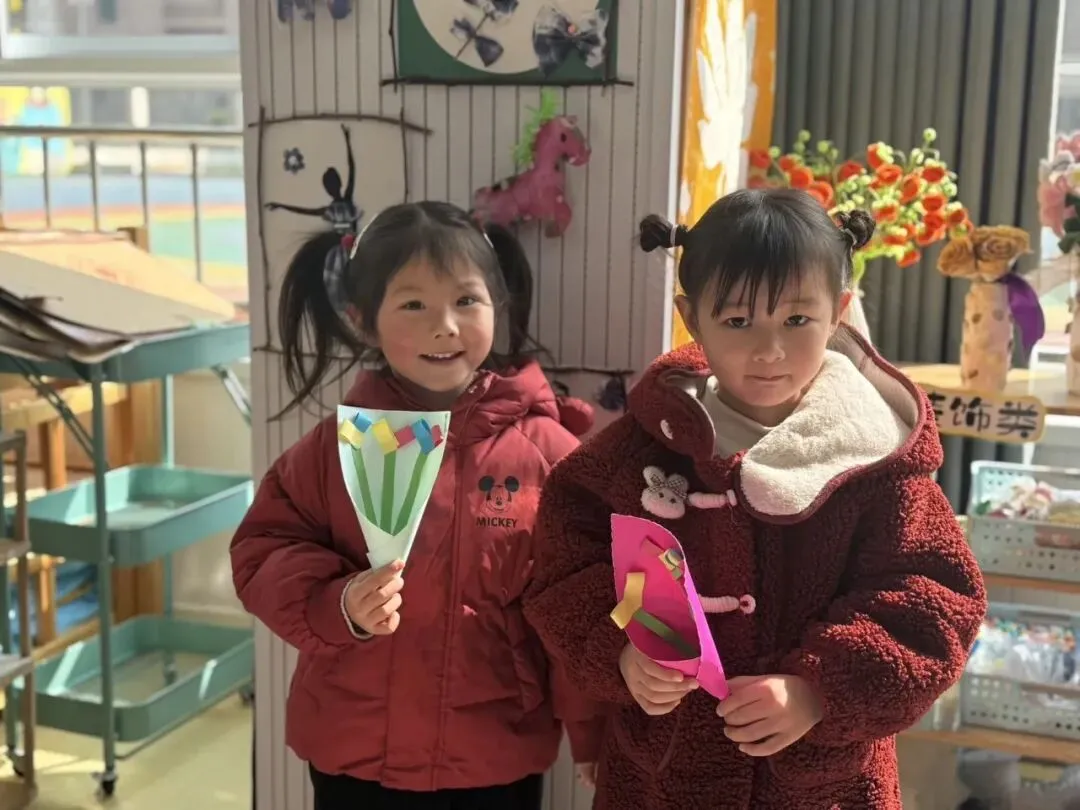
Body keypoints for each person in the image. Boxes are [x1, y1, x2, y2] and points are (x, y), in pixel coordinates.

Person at [521, 188, 988, 809]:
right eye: (738, 322)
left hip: (827, 788)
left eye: (796, 320)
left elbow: (935, 599)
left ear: (838, 311)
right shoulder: (639, 447)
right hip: (662, 780)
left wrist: (819, 690)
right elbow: (564, 569)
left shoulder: (875, 453)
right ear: (692, 318)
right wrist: (623, 653)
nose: (769, 350)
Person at [231, 201, 601, 810]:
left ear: (497, 305)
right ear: (363, 321)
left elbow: (580, 601)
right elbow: (260, 549)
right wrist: (337, 604)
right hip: (354, 757)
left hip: (493, 759)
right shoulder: (336, 448)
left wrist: (592, 731)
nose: (444, 326)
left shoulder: (548, 455)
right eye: (413, 305)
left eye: (466, 301)